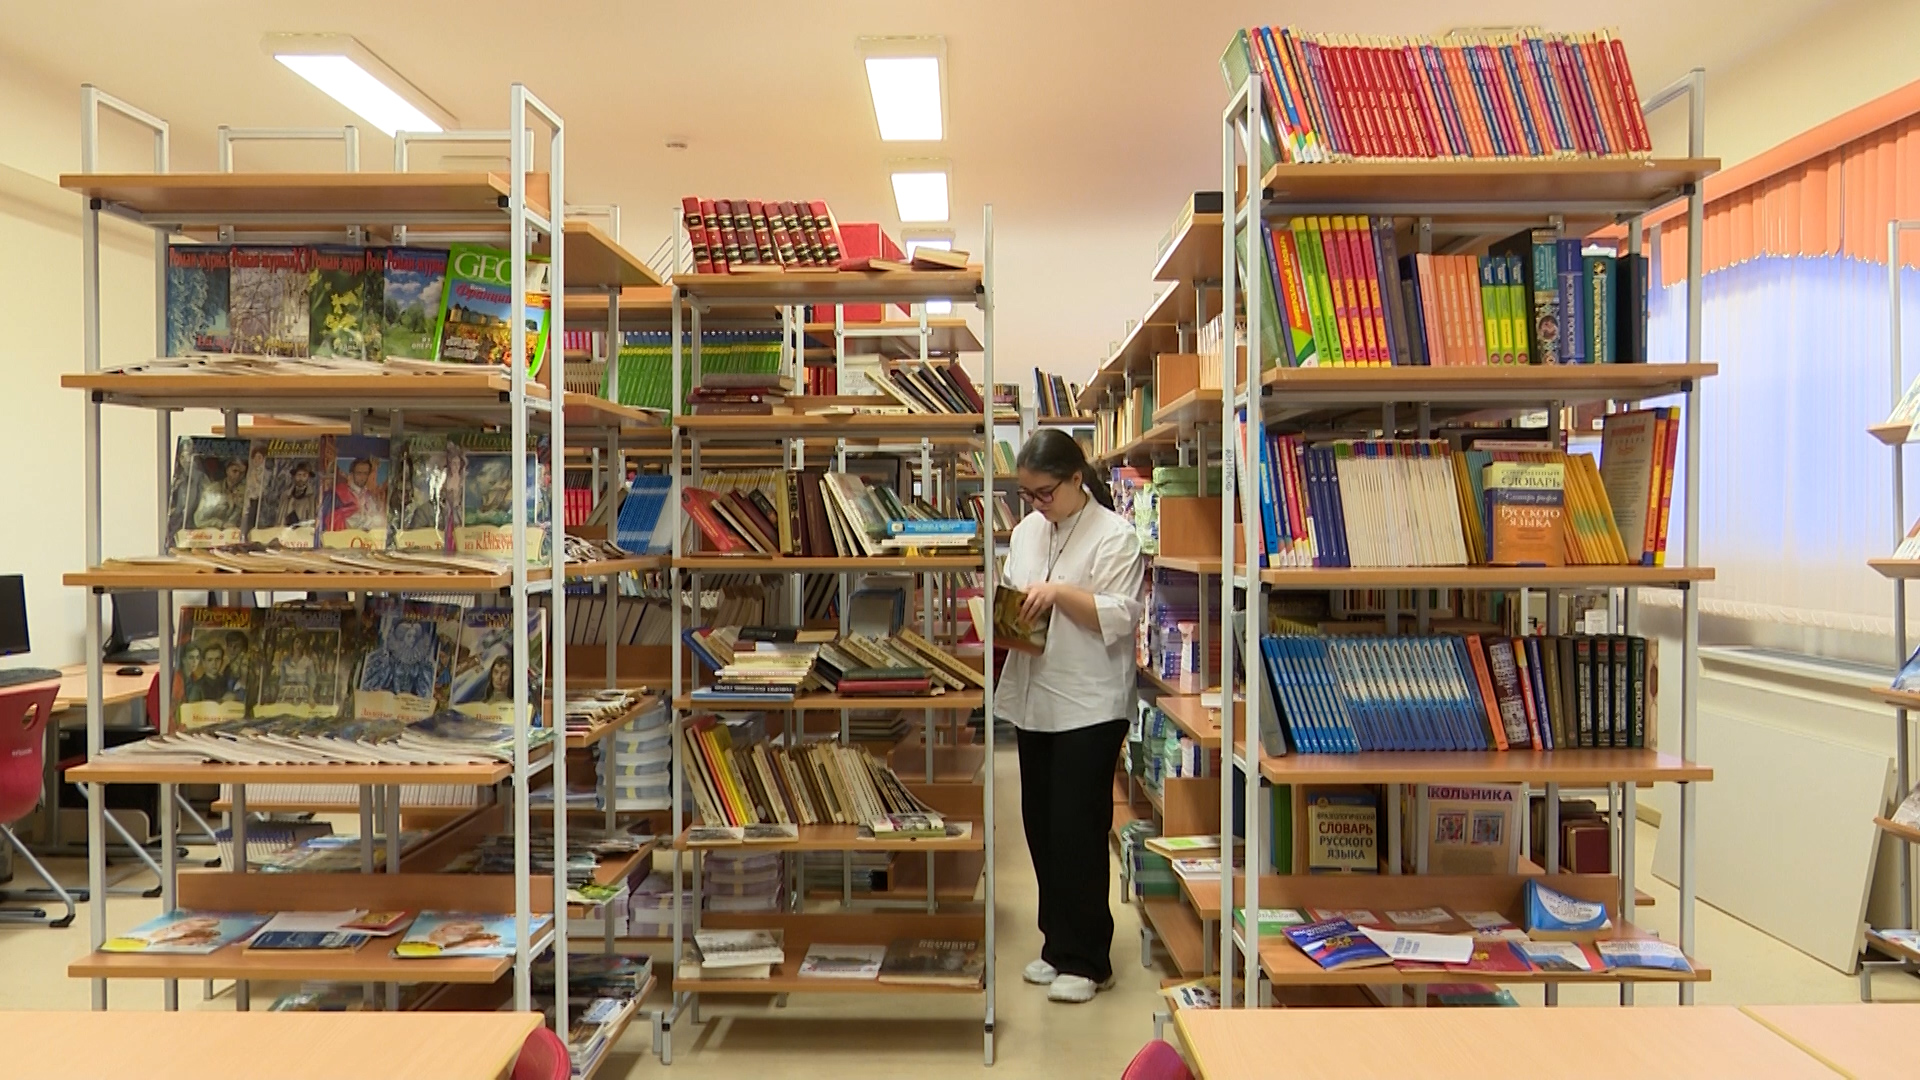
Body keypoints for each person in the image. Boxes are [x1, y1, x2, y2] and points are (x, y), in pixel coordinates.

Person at [998, 428, 1145, 1004]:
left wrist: (1059, 592)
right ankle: (1057, 944)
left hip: (1090, 703)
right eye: (1028, 494)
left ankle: (1089, 959)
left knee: (1078, 829)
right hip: (1035, 697)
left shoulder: (1115, 536)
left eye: (1045, 492)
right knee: (1040, 826)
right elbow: (1016, 596)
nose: (1037, 504)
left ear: (1076, 479)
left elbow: (1121, 615)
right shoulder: (1026, 532)